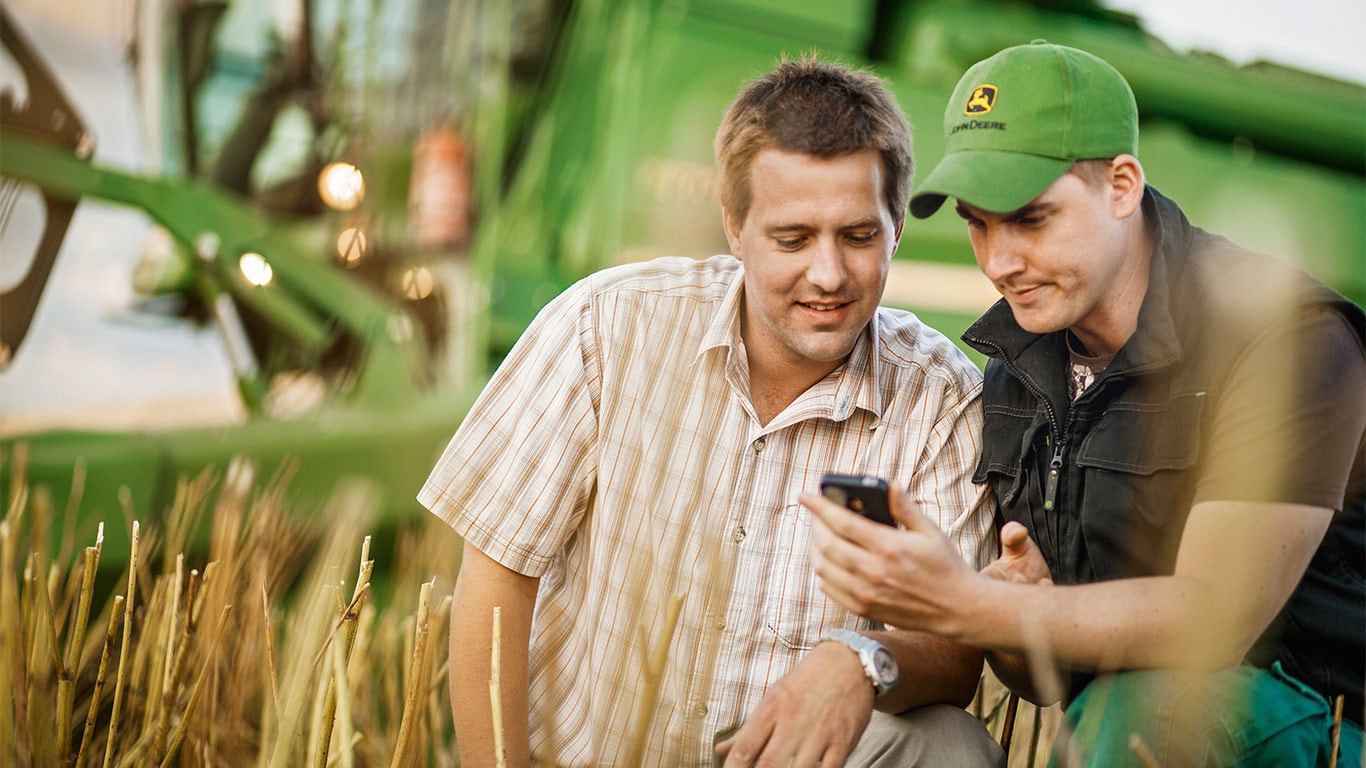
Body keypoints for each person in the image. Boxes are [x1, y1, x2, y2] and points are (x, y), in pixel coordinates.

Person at [419, 56, 1005, 767]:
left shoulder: (944, 398)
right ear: (733, 227)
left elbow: (954, 654)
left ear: (896, 230)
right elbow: (497, 575)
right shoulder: (603, 327)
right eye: (792, 239)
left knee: (949, 746)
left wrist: (859, 656)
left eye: (858, 236)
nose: (828, 274)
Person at [806, 41, 1365, 766]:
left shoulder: (1286, 339)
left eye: (1031, 218)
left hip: (1322, 717)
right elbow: (1044, 681)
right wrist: (1018, 612)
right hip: (1114, 723)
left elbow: (1213, 620)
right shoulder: (1019, 367)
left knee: (1149, 709)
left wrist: (980, 606)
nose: (1000, 261)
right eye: (978, 223)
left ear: (1123, 185)